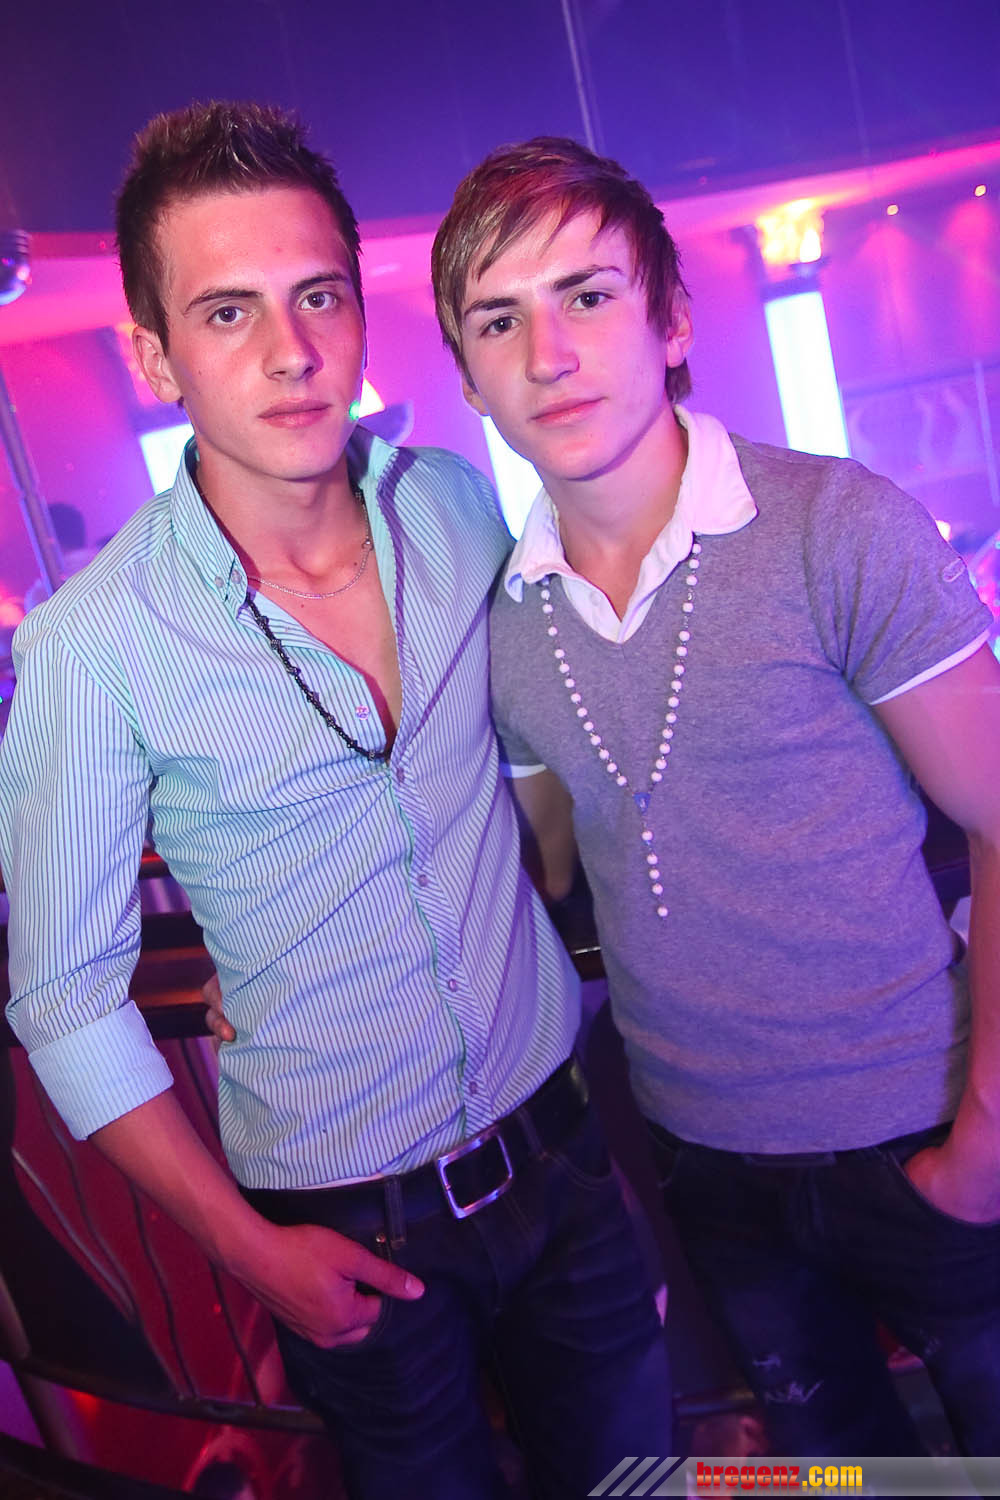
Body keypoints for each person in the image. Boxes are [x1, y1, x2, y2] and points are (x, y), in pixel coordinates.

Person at [0, 105, 672, 1499]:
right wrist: (250, 1257)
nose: (291, 351)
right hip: (347, 1239)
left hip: (564, 1156)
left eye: (318, 296)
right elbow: (63, 1001)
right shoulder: (93, 646)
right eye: (227, 311)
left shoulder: (457, 510)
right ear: (154, 355)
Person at [429, 136, 1000, 1457]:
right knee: (848, 1483)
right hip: (703, 1158)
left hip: (924, 1126)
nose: (549, 354)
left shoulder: (834, 526)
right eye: (499, 321)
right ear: (466, 374)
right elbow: (537, 872)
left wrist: (987, 1136)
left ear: (672, 321)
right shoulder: (502, 625)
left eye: (587, 295)